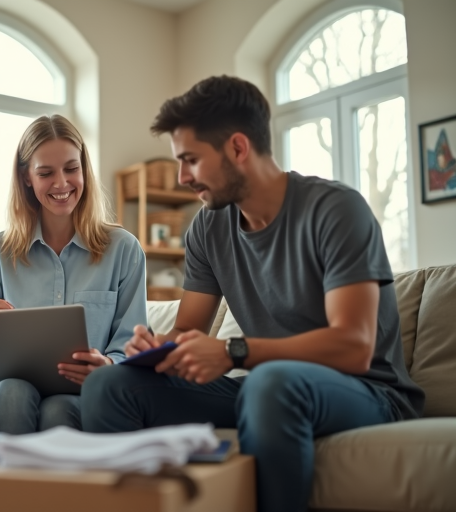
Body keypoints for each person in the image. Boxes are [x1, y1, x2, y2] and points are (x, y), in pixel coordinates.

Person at [80, 76, 424, 512]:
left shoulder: (335, 210)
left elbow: (354, 347)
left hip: (367, 392)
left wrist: (234, 352)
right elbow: (187, 330)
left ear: (238, 148)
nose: (183, 178)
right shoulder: (208, 227)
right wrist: (156, 348)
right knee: (109, 385)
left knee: (270, 382)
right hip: (269, 389)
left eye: (191, 160)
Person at [0, 114, 148, 434]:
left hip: (82, 393)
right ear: (26, 177)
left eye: (71, 169)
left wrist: (107, 366)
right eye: (46, 173)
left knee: (48, 405)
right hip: (6, 389)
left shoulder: (123, 249)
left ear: (84, 170)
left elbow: (131, 346)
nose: (61, 183)